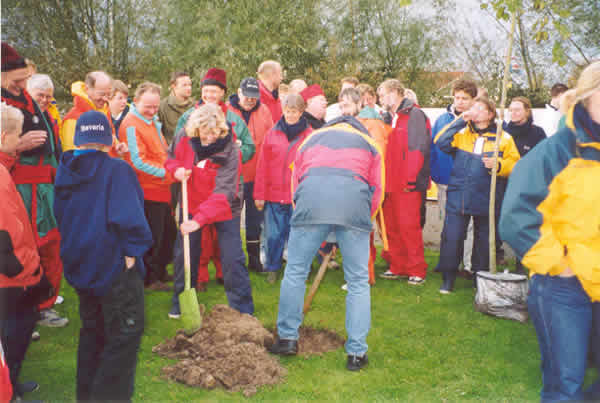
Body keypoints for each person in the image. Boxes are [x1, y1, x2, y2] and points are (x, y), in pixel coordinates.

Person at [500, 61, 600, 403]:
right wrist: (562, 265)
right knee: (565, 385)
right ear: (586, 98)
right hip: (564, 287)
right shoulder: (556, 152)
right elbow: (516, 217)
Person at [268, 114, 384, 372]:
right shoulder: (370, 143)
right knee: (357, 282)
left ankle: (287, 339)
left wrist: (316, 225)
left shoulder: (310, 140)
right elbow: (378, 190)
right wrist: (363, 221)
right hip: (354, 209)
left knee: (295, 272)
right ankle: (356, 353)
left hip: (311, 206)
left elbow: (295, 183)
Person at [53, 110, 153, 401]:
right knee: (123, 336)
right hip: (113, 266)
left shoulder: (65, 169)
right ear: (109, 137)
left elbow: (62, 215)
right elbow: (130, 216)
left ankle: (86, 395)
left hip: (80, 262)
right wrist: (133, 251)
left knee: (93, 332)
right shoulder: (117, 170)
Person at [166, 104, 254, 318]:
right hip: (192, 201)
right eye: (204, 135)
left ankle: (242, 309)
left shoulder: (231, 150)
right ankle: (181, 298)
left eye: (213, 135)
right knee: (185, 253)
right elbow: (170, 159)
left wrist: (199, 221)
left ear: (221, 131)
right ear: (195, 130)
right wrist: (175, 170)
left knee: (232, 257)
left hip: (225, 207)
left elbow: (223, 192)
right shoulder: (183, 137)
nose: (208, 140)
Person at [1, 43, 67, 327]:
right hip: (17, 190)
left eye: (26, 78)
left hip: (46, 188)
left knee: (52, 246)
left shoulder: (28, 99)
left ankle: (44, 305)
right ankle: (23, 312)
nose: (23, 84)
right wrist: (17, 147)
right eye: (18, 79)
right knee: (23, 250)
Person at [434, 97, 520, 293]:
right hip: (459, 194)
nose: (476, 111)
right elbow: (440, 141)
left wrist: (498, 166)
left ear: (491, 114)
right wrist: (460, 121)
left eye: (480, 108)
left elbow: (515, 164)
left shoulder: (503, 137)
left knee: (483, 241)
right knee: (453, 237)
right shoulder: (462, 132)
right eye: (474, 108)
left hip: (487, 197)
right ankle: (448, 278)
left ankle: (478, 278)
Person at [0, 102, 48, 401]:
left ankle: (12, 381)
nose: (20, 140)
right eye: (17, 134)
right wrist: (25, 269)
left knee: (17, 330)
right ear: (5, 135)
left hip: (16, 268)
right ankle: (9, 388)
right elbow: (6, 232)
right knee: (14, 332)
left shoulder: (5, 167)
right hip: (12, 275)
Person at [119, 82, 176, 291]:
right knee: (153, 237)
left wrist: (172, 165)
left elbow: (161, 152)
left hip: (161, 188)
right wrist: (167, 172)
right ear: (136, 102)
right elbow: (137, 161)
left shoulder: (151, 122)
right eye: (147, 107)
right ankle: (150, 279)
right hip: (147, 190)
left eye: (155, 107)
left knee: (168, 234)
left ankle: (159, 271)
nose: (152, 111)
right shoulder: (132, 124)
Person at [253, 94, 312, 284]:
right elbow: (262, 166)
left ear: (301, 112)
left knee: (299, 235)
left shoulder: (309, 136)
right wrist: (259, 195)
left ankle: (300, 267)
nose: (290, 115)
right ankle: (273, 267)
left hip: (298, 196)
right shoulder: (272, 134)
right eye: (287, 111)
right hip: (273, 194)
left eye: (294, 112)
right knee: (273, 235)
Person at [378, 79, 430, 285]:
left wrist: (411, 178)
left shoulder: (414, 115)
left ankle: (416, 269)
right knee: (391, 227)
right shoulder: (388, 118)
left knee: (409, 227)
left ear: (394, 92)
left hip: (406, 184)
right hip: (389, 182)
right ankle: (397, 266)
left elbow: (417, 148)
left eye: (382, 95)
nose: (380, 99)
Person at [430, 79, 478, 274]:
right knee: (448, 224)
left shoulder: (477, 121)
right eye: (457, 97)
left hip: (469, 182)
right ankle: (448, 263)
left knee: (469, 227)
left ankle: (468, 265)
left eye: (464, 98)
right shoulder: (443, 119)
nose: (459, 102)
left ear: (473, 99)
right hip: (445, 180)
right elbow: (434, 146)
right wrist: (434, 173)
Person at [228, 77, 274, 273]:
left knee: (255, 221)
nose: (250, 100)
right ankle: (234, 262)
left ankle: (254, 260)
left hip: (257, 176)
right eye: (247, 96)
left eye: (254, 97)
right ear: (239, 92)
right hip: (233, 177)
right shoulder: (227, 111)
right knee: (231, 220)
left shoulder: (264, 111)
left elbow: (271, 139)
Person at [61, 71, 126, 154]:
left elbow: (111, 140)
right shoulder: (73, 119)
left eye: (108, 94)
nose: (106, 99)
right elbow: (72, 157)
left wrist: (117, 147)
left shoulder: (104, 111)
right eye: (101, 94)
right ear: (87, 89)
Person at [158, 72, 195, 145]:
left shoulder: (195, 106)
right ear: (173, 86)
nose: (189, 88)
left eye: (190, 85)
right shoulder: (162, 107)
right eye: (184, 85)